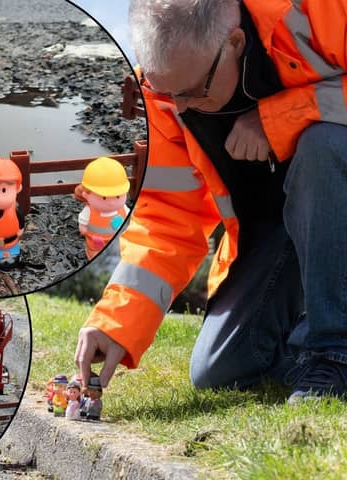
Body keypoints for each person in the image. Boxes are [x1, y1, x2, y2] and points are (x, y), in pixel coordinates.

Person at [76, 0, 347, 405]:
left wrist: (281, 119)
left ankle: (334, 354)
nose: (179, 108)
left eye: (191, 92)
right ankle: (313, 345)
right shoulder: (167, 91)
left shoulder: (321, 10)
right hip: (279, 235)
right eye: (163, 91)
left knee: (322, 145)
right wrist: (116, 323)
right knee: (220, 370)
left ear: (235, 42)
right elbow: (168, 218)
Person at [75, 157, 131, 260]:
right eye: (104, 198)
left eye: (118, 196)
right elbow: (83, 225)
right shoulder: (89, 211)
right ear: (86, 194)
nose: (112, 202)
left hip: (118, 241)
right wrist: (83, 230)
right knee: (96, 256)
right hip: (97, 242)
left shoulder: (123, 208)